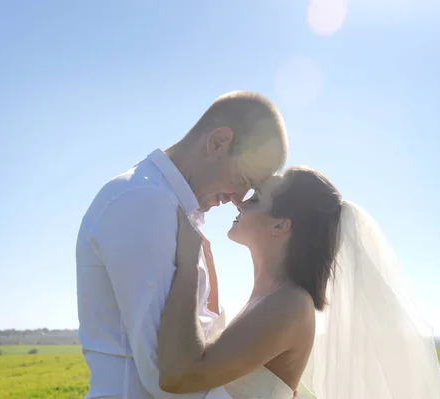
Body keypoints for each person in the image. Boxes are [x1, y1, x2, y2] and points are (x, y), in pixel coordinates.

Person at [158, 167, 440, 399]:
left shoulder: (290, 303)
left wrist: (187, 267)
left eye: (256, 198)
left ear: (280, 225)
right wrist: (203, 261)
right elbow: (212, 341)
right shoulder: (272, 297)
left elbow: (182, 376)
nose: (239, 202)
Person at [76, 91, 288, 399]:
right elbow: (166, 376)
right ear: (219, 142)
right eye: (244, 179)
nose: (237, 201)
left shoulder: (166, 204)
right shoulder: (144, 201)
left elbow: (198, 341)